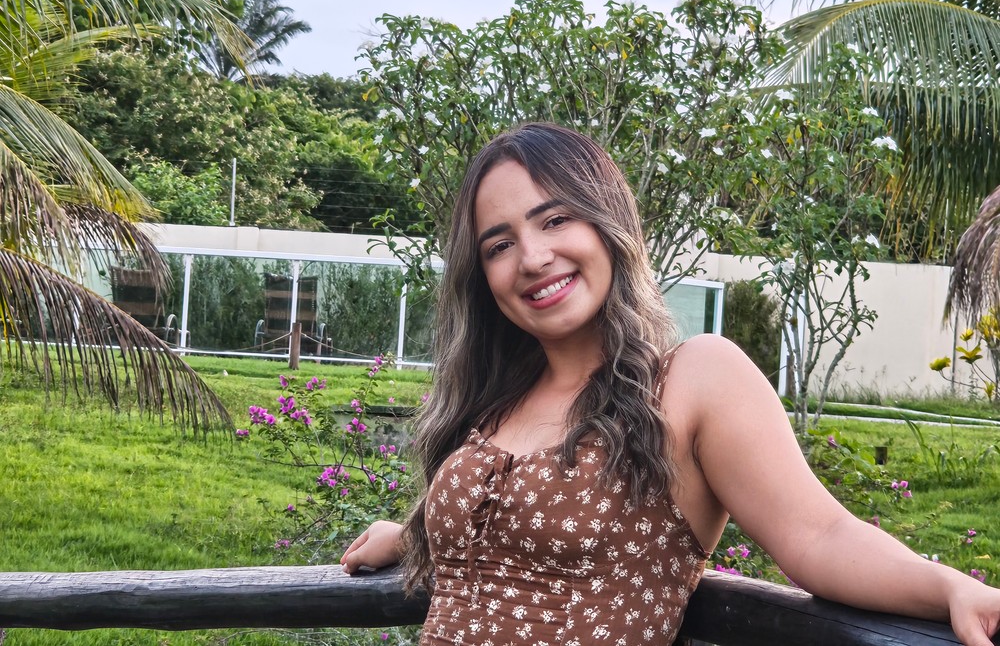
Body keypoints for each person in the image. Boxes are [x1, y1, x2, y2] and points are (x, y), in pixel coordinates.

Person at [342, 122, 1000, 645]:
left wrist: (949, 587)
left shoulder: (692, 379)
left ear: (608, 223)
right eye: (499, 244)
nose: (533, 257)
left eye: (555, 219)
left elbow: (820, 535)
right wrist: (420, 532)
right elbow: (507, 540)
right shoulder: (497, 397)